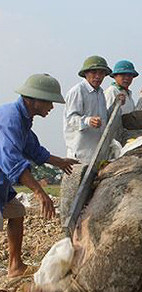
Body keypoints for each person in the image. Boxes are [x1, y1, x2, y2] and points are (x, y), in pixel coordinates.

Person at [0, 74, 77, 279]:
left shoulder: (24, 119)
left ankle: (15, 267)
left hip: (2, 180)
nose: (51, 107)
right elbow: (12, 161)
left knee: (16, 212)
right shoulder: (11, 119)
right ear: (32, 100)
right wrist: (39, 192)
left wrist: (59, 162)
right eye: (49, 101)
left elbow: (34, 149)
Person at [63, 55, 112, 164]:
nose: (98, 76)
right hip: (81, 154)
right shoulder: (77, 91)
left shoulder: (100, 93)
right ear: (86, 73)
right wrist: (88, 121)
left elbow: (105, 118)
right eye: (94, 73)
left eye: (101, 73)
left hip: (97, 153)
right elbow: (71, 119)